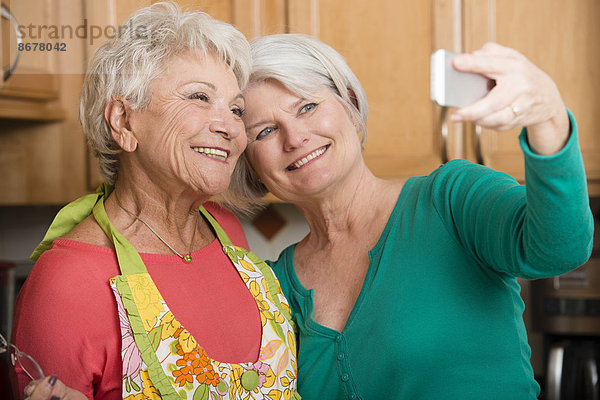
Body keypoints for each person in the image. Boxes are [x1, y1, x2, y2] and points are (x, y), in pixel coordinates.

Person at [239, 34, 594, 399]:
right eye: (265, 131)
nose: (294, 137)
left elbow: (559, 248)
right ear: (249, 162)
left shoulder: (450, 199)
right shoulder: (273, 285)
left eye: (307, 107)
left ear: (350, 102)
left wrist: (549, 119)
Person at [12, 4, 300, 400]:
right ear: (124, 122)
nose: (231, 126)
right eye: (199, 97)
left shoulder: (228, 233)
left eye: (236, 109)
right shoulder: (66, 282)